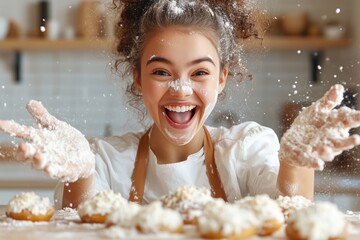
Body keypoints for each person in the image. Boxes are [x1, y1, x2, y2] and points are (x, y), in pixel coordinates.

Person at [0, 0, 360, 210]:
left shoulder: (246, 151)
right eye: (161, 71)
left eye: (200, 72)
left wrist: (295, 164)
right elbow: (73, 227)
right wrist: (81, 176)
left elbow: (288, 217)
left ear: (222, 78)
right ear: (138, 78)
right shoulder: (105, 162)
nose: (181, 88)